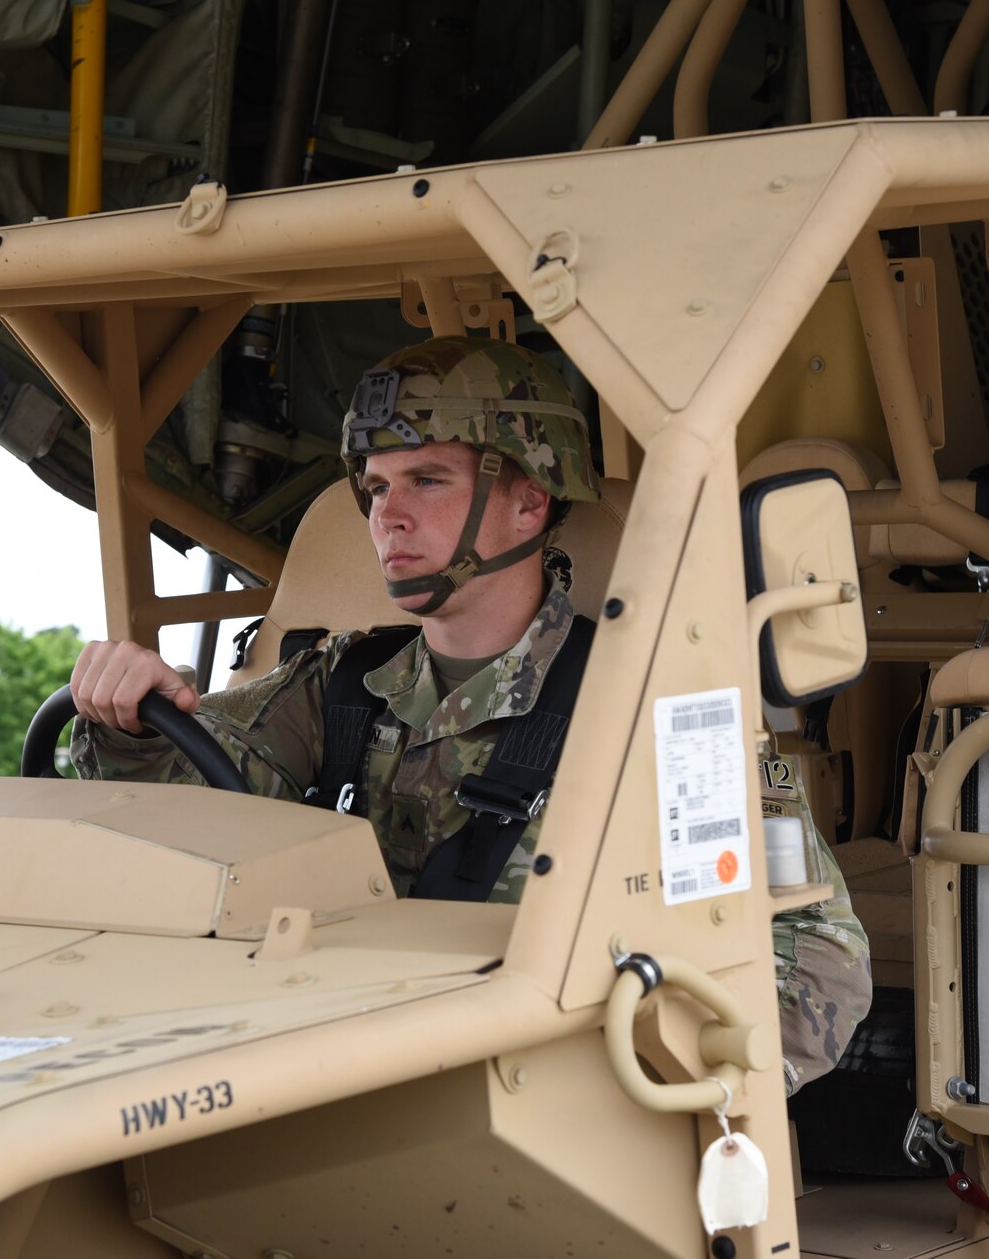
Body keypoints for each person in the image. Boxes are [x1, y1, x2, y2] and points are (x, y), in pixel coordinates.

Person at [70, 335, 870, 1092]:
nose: (387, 515)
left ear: (528, 502)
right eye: (377, 488)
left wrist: (611, 1081)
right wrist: (129, 722)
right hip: (327, 1081)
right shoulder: (337, 686)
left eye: (426, 480)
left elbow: (814, 964)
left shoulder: (654, 713)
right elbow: (182, 811)